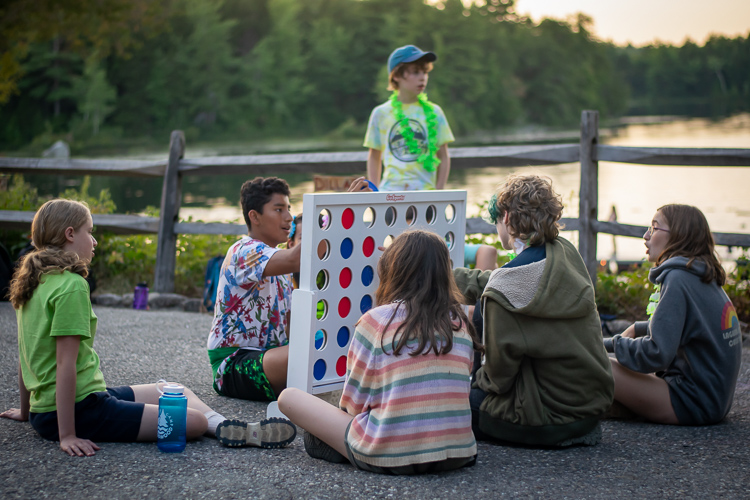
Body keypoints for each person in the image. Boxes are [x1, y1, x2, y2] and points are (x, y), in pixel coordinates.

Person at [0, 199, 296, 456]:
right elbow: (65, 363)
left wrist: (28, 412)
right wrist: (67, 434)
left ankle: (233, 428)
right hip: (78, 410)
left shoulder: (31, 283)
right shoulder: (71, 285)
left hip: (62, 406)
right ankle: (217, 427)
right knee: (193, 423)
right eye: (89, 232)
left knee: (173, 389)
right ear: (69, 234)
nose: (94, 241)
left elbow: (26, 354)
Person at [277, 230, 482, 474]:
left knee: (288, 398)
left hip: (389, 456)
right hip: (458, 453)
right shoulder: (460, 322)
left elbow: (353, 405)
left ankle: (349, 448)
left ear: (393, 269)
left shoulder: (376, 320)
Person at [453, 174, 614, 447]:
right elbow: (494, 280)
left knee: (449, 406)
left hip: (547, 417)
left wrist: (466, 384)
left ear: (506, 218)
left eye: (496, 222)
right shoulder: (564, 253)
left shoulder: (505, 288)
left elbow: (497, 380)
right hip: (589, 409)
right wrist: (439, 271)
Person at [208, 177, 371, 414]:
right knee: (316, 352)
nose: (288, 217)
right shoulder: (243, 251)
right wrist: (344, 209)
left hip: (271, 357)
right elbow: (298, 257)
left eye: (289, 209)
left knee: (342, 346)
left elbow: (293, 328)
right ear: (254, 216)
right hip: (234, 364)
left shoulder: (277, 263)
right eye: (278, 209)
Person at [603, 204, 742, 425]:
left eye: (654, 228)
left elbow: (656, 353)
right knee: (605, 361)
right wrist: (636, 329)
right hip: (714, 400)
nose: (646, 235)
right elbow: (684, 327)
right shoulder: (699, 274)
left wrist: (610, 345)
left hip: (693, 402)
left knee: (598, 365)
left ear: (678, 236)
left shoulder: (678, 279)